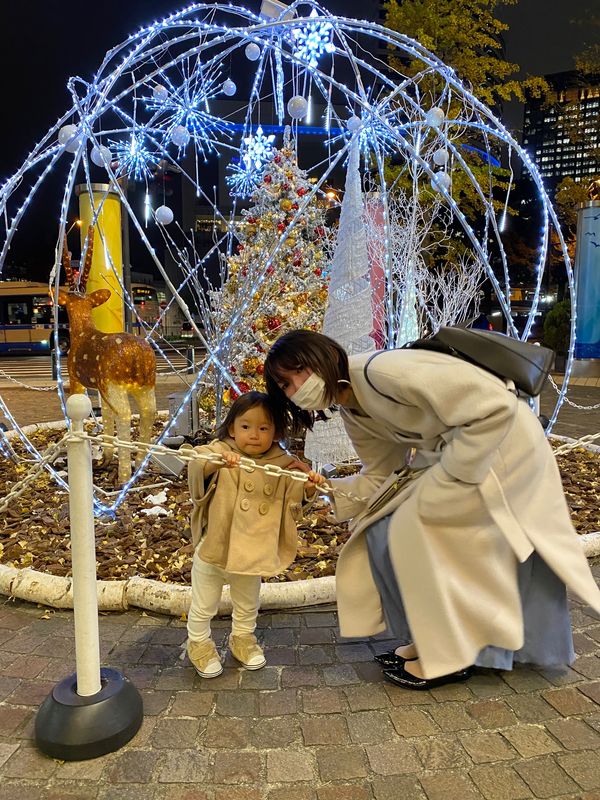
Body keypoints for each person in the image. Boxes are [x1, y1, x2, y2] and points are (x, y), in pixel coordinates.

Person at [264, 329, 600, 690]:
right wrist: (321, 487)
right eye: (285, 386)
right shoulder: (354, 410)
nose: (297, 387)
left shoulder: (383, 372)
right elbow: (379, 475)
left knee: (414, 532)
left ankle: (452, 654)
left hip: (501, 452)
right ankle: (436, 640)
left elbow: (495, 408)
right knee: (381, 532)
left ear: (325, 356)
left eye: (299, 370)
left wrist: (450, 479)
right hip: (459, 460)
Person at [185, 390, 322, 678]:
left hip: (252, 549)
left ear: (275, 433)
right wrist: (218, 461)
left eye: (264, 428)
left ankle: (243, 638)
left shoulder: (282, 463)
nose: (254, 435)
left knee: (248, 601)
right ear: (232, 427)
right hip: (215, 545)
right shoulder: (220, 450)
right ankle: (198, 642)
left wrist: (308, 484)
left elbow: (294, 501)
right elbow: (197, 462)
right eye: (245, 426)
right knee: (204, 601)